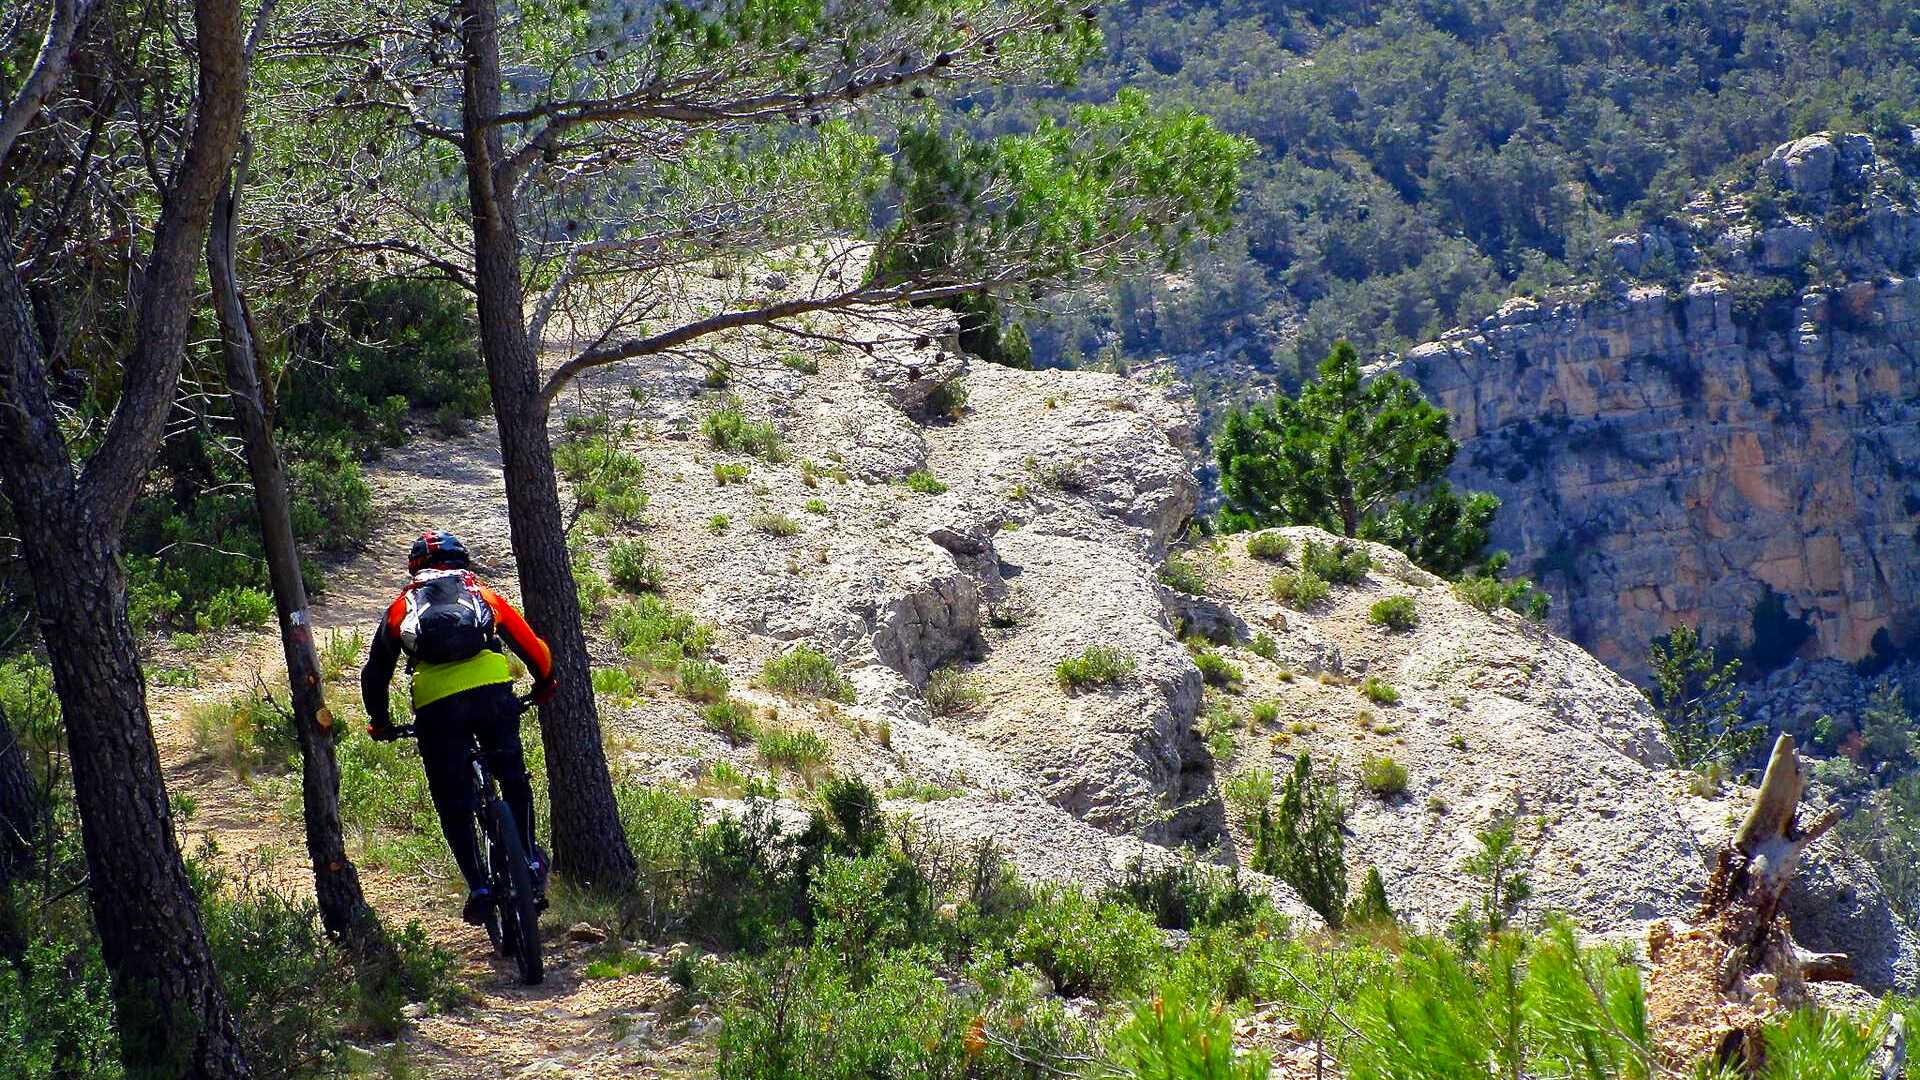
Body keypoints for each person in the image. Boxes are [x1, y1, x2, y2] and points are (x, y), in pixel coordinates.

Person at [360, 530, 556, 925]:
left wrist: (380, 723)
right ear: (462, 562)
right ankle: (531, 860)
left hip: (437, 707)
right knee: (514, 778)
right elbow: (530, 645)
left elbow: (375, 675)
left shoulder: (402, 607)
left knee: (451, 799)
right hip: (492, 696)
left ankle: (479, 887)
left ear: (414, 569)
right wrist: (545, 681)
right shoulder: (481, 594)